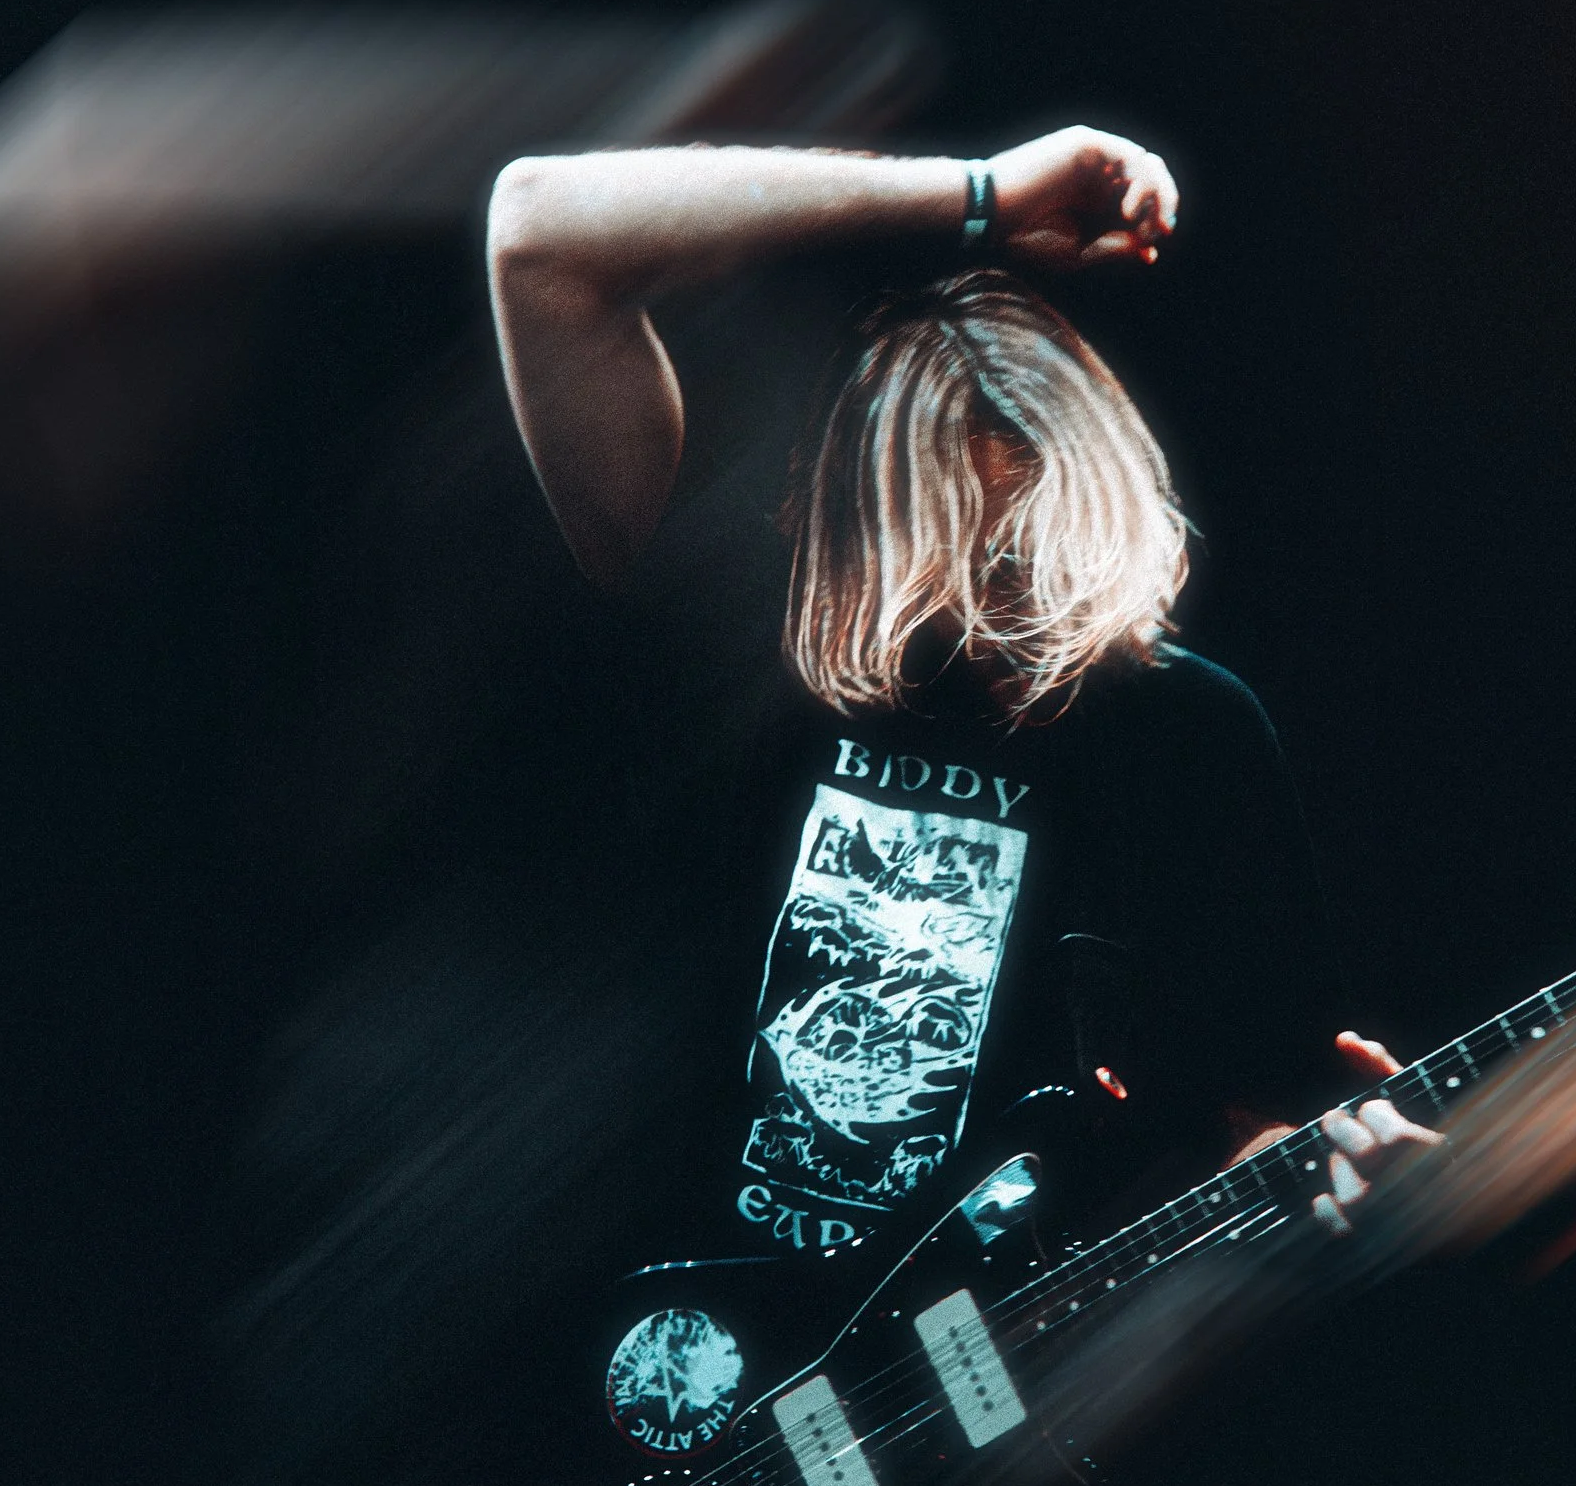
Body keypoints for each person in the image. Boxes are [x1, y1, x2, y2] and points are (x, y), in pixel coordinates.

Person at [486, 120, 1436, 1266]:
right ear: (859, 537)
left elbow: (1245, 1118)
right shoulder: (743, 654)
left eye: (1041, 561)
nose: (1009, 623)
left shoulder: (1186, 730)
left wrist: (1326, 1168)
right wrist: (979, 197)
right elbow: (539, 230)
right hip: (656, 1360)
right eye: (967, 570)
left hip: (987, 1400)